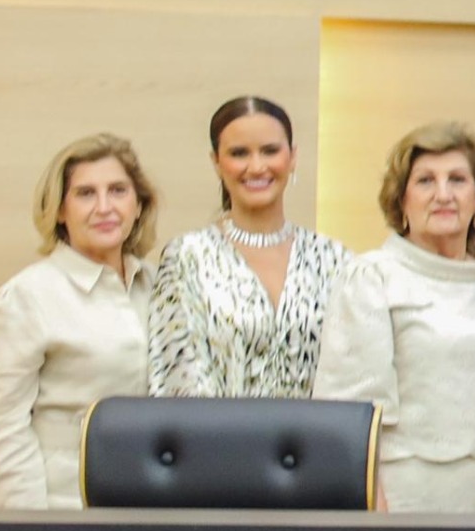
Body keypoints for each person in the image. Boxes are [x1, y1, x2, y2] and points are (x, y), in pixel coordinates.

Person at [317, 121, 475, 512]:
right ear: (401, 200)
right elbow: (350, 421)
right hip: (404, 507)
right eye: (425, 181)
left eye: (457, 180)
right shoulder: (372, 277)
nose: (443, 195)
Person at [0, 134, 160, 508]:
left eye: (118, 191)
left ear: (138, 205)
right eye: (86, 193)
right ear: (60, 210)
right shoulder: (27, 297)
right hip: (67, 513)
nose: (104, 207)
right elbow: (4, 428)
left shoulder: (162, 286)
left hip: (155, 508)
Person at [144, 95, 348, 397]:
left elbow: (350, 374)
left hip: (317, 441)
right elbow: (177, 376)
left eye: (270, 151)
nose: (256, 166)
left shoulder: (335, 259)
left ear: (292, 157)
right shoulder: (187, 257)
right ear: (216, 162)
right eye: (239, 153)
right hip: (215, 441)